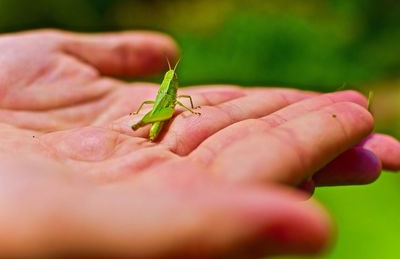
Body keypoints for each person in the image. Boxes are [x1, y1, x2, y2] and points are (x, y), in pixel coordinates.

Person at [0, 29, 399, 258]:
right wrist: (158, 116)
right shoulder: (166, 92)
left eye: (172, 79)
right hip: (154, 119)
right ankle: (141, 124)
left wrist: (181, 109)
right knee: (152, 110)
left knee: (164, 108)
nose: (172, 81)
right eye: (172, 79)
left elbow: (181, 101)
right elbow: (168, 103)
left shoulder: (175, 89)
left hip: (161, 116)